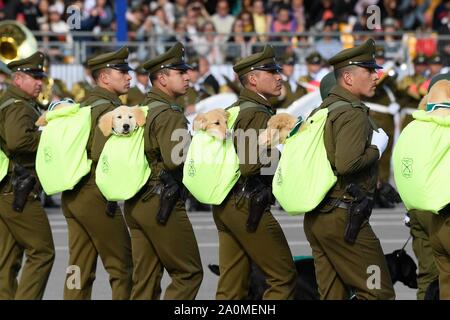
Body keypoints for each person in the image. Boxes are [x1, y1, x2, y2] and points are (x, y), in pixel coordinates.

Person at [303, 39, 395, 300]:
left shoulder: (324, 108)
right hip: (344, 217)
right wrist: (377, 149)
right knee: (379, 292)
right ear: (348, 78)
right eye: (369, 71)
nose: (376, 76)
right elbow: (346, 163)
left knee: (332, 295)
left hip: (320, 217)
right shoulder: (352, 113)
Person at [212, 45, 297, 300]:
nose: (279, 76)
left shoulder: (236, 108)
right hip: (248, 204)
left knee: (232, 286)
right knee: (283, 278)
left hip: (228, 202)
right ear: (252, 79)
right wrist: (284, 153)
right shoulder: (257, 113)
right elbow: (250, 163)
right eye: (271, 72)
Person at [123, 42, 203, 300]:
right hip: (162, 200)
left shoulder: (144, 109)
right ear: (162, 79)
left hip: (137, 200)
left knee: (145, 280)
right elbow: (176, 161)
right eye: (180, 73)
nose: (188, 77)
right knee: (188, 273)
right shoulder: (170, 114)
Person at [61, 46, 133, 300]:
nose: (129, 76)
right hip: (96, 193)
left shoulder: (85, 105)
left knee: (78, 268)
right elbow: (105, 156)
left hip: (73, 192)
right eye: (122, 72)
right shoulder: (108, 111)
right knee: (123, 266)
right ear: (104, 78)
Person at [0, 51, 55, 299]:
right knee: (42, 251)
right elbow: (16, 141)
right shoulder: (18, 107)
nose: (39, 82)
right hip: (18, 189)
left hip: (8, 189)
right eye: (34, 77)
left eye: (40, 77)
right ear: (18, 79)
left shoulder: (11, 103)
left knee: (8, 260)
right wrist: (48, 137)